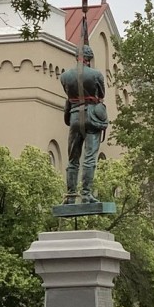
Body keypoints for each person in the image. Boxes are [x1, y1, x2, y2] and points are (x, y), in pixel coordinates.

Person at [60, 44, 108, 203]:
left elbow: (68, 94)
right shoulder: (96, 75)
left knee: (73, 158)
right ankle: (86, 194)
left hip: (74, 117)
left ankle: (71, 196)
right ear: (89, 59)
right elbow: (101, 94)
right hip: (92, 118)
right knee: (89, 158)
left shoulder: (65, 76)